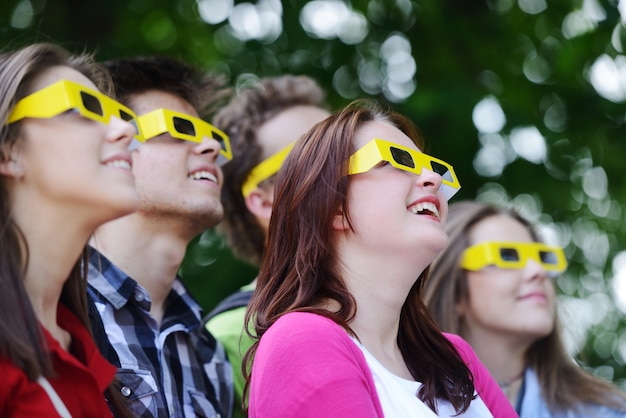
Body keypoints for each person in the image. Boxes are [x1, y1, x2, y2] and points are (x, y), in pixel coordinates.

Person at [243, 99, 518, 417]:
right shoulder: (302, 340)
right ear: (332, 204)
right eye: (398, 160)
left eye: (433, 167)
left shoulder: (456, 357)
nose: (433, 179)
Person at [87, 55, 234, 417]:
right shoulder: (50, 314)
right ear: (114, 145)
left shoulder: (210, 356)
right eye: (179, 127)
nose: (211, 148)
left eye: (216, 138)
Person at [0, 42, 140, 416]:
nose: (125, 130)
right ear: (7, 152)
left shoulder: (86, 353)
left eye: (120, 115)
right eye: (82, 107)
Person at [424, 200, 626, 417]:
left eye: (542, 257)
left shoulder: (606, 412)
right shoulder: (402, 401)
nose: (537, 271)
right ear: (454, 289)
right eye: (507, 255)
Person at [203, 74, 331, 417]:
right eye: (314, 154)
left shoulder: (406, 316)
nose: (343, 165)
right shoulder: (228, 337)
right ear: (263, 200)